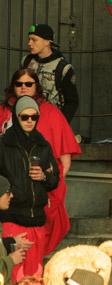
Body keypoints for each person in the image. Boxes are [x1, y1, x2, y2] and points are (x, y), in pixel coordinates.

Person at [0, 68, 79, 256]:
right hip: (10, 199)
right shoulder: (3, 112)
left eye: (29, 84)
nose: (24, 88)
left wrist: (46, 182)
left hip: (38, 196)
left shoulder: (51, 113)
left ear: (37, 86)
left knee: (34, 257)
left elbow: (64, 162)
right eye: (19, 84)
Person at [0, 96, 59, 282]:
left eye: (34, 117)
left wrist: (44, 176)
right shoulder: (3, 144)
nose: (30, 121)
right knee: (11, 275)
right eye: (25, 117)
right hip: (12, 217)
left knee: (34, 277)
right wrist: (8, 190)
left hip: (36, 219)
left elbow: (55, 180)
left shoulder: (44, 145)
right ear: (17, 117)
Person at [22, 24, 77, 122]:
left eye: (34, 40)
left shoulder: (63, 68)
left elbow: (72, 102)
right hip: (26, 119)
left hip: (50, 122)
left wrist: (60, 124)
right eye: (29, 39)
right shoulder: (26, 61)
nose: (29, 43)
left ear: (47, 41)